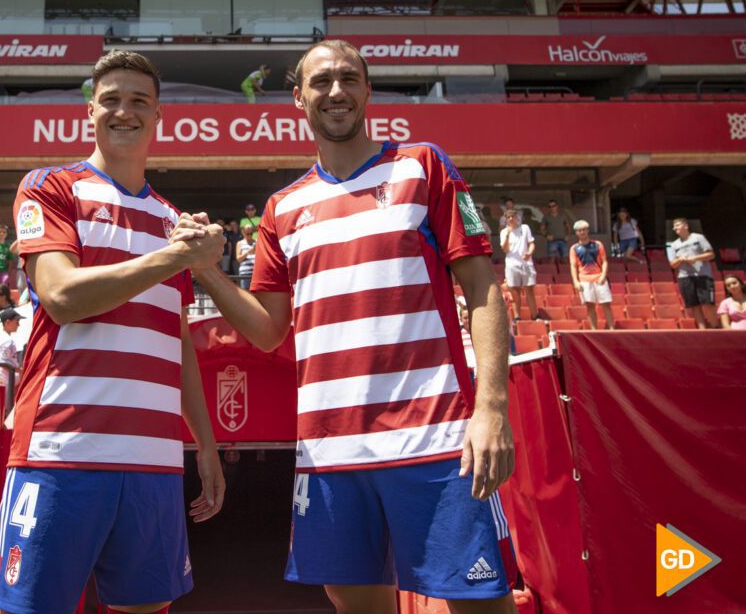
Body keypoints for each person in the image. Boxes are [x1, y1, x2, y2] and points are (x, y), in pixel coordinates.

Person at [176, 40, 517, 614]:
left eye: (348, 78)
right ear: (298, 99)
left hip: (435, 440)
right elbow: (265, 332)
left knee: (480, 602)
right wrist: (206, 271)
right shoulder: (281, 207)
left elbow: (483, 288)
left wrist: (492, 409)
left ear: (366, 89)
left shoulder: (423, 166)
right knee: (357, 605)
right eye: (322, 81)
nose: (336, 91)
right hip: (331, 451)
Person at [0, 50, 226, 614]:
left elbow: (179, 345)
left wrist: (207, 446)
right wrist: (175, 259)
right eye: (112, 99)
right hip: (60, 451)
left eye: (139, 101)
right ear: (90, 110)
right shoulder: (50, 187)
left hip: (153, 461)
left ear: (158, 115)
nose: (126, 111)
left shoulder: (174, 221)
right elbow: (63, 296)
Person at [669, 218, 716, 330]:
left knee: (708, 303)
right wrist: (680, 259)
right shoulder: (674, 244)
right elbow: (673, 264)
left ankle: (715, 327)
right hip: (685, 277)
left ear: (686, 225)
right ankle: (702, 330)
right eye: (674, 226)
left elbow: (711, 255)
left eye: (677, 225)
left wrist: (695, 258)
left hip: (703, 275)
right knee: (694, 305)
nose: (674, 228)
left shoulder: (698, 237)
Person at [569, 220, 614, 330]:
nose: (582, 232)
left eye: (584, 229)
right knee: (590, 306)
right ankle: (594, 330)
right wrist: (575, 281)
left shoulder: (598, 244)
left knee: (606, 304)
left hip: (599, 278)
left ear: (588, 230)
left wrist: (603, 275)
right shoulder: (574, 248)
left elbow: (604, 261)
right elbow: (573, 266)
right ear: (576, 233)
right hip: (584, 280)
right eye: (580, 230)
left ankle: (612, 328)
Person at [501, 209, 539, 322]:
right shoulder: (504, 232)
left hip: (526, 263)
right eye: (508, 217)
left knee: (529, 290)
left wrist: (530, 253)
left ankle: (535, 316)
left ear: (516, 217)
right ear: (506, 219)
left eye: (512, 216)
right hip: (512, 265)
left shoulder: (525, 228)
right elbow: (505, 249)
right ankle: (517, 317)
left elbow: (531, 243)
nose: (511, 219)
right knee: (515, 292)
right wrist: (507, 235)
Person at [235, 223, 256, 290]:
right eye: (247, 234)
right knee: (246, 293)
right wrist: (248, 253)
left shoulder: (256, 242)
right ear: (243, 233)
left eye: (251, 233)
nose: (249, 236)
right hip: (245, 273)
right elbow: (238, 259)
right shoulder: (240, 243)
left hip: (255, 273)